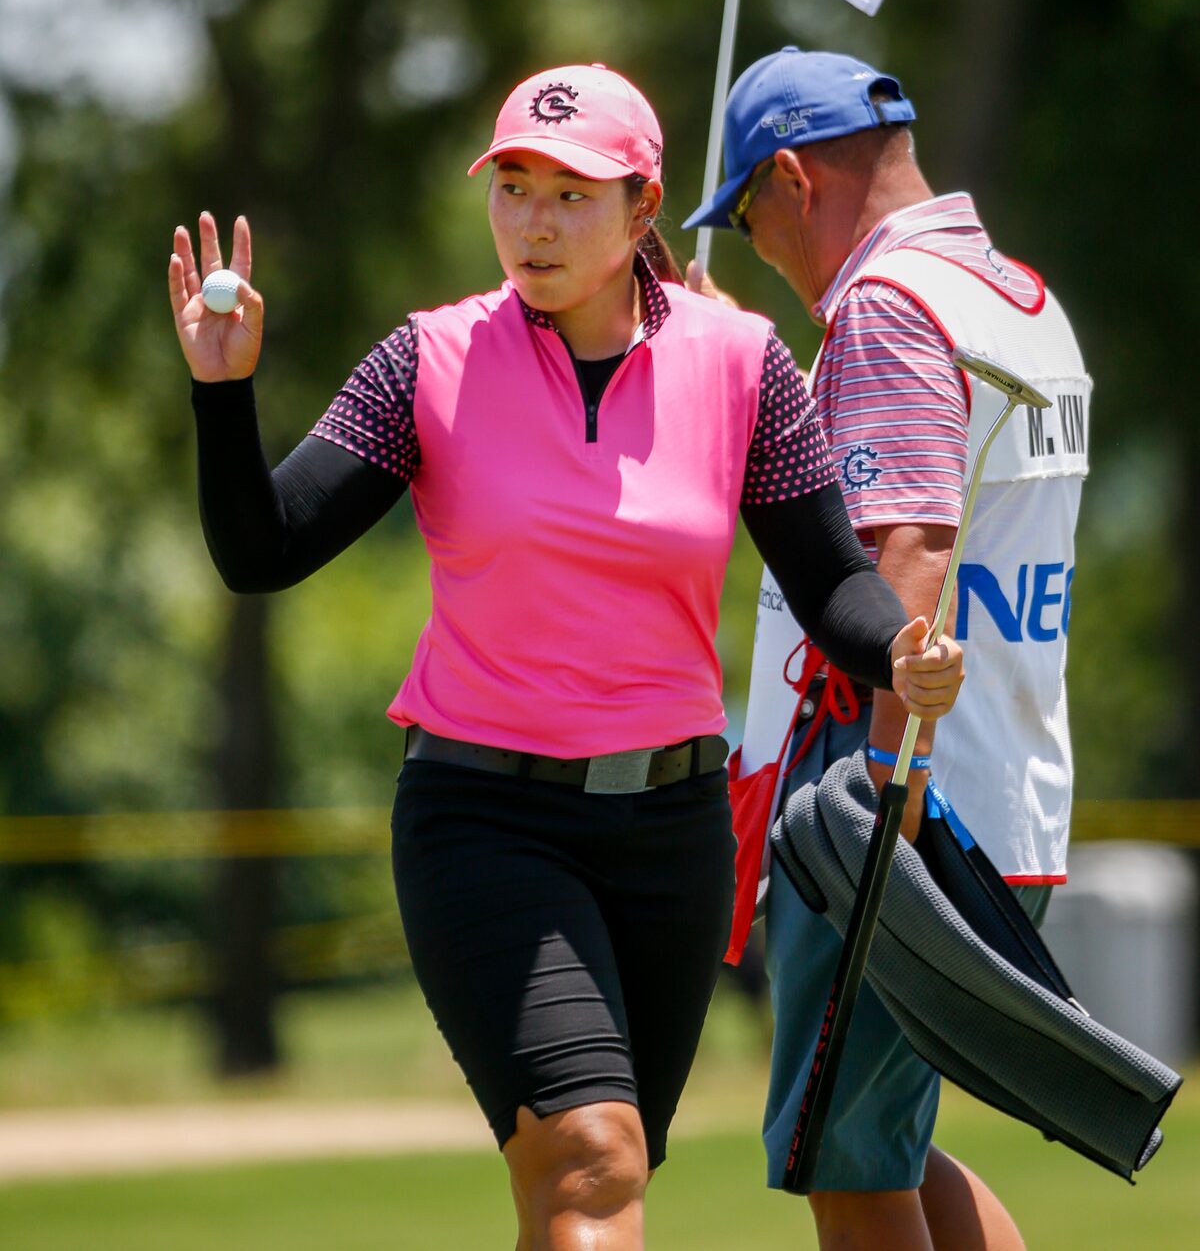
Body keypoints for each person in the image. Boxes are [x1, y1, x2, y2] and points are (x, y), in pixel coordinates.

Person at [167, 61, 965, 1251]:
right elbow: (262, 550)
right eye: (514, 188)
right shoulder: (425, 362)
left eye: (571, 194)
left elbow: (829, 579)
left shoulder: (742, 362)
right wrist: (222, 397)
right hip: (485, 821)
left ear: (644, 209)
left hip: (672, 835)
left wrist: (898, 651)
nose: (532, 223)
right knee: (594, 1162)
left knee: (591, 1182)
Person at [685, 46, 1091, 1251]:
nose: (757, 241)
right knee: (880, 1139)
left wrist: (875, 818)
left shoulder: (884, 310)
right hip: (999, 792)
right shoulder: (1012, 293)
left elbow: (903, 558)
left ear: (794, 181)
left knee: (844, 1165)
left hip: (897, 800)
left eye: (750, 214)